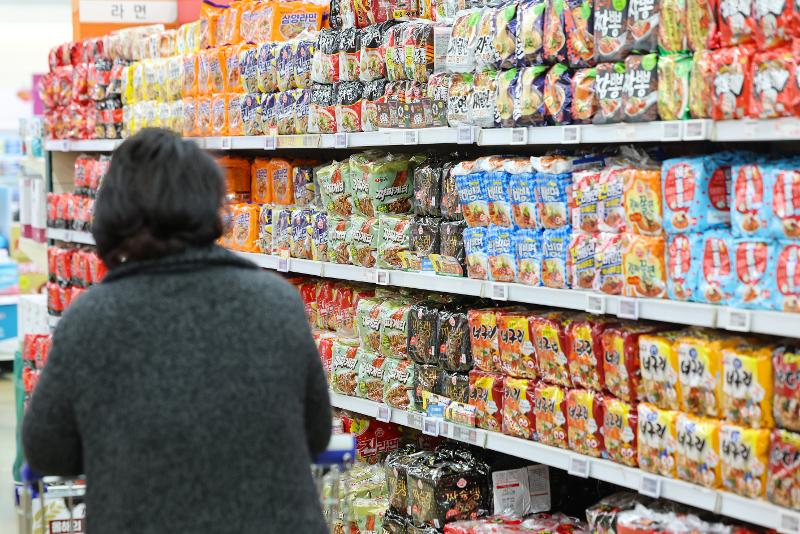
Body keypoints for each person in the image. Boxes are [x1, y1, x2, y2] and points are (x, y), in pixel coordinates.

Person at [22, 128, 332, 533]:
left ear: (113, 211)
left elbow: (47, 451)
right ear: (210, 204)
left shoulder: (91, 319)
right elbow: (315, 434)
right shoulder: (277, 302)